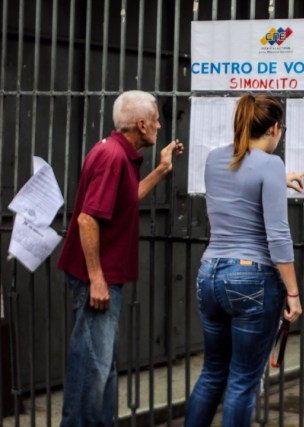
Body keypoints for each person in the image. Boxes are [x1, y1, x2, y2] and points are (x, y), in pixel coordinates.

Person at [57, 90, 184, 426]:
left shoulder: (117, 154)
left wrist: (161, 169)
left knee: (103, 366)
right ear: (141, 124)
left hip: (104, 278)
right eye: (156, 118)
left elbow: (128, 197)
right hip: (97, 281)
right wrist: (97, 277)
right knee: (92, 369)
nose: (159, 123)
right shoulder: (113, 158)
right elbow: (87, 218)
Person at [185, 93, 303, 427]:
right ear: (274, 128)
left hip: (210, 274)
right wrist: (292, 293)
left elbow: (238, 185)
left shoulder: (213, 159)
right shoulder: (271, 165)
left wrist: (278, 180)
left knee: (212, 373)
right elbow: (277, 236)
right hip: (251, 279)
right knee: (242, 381)